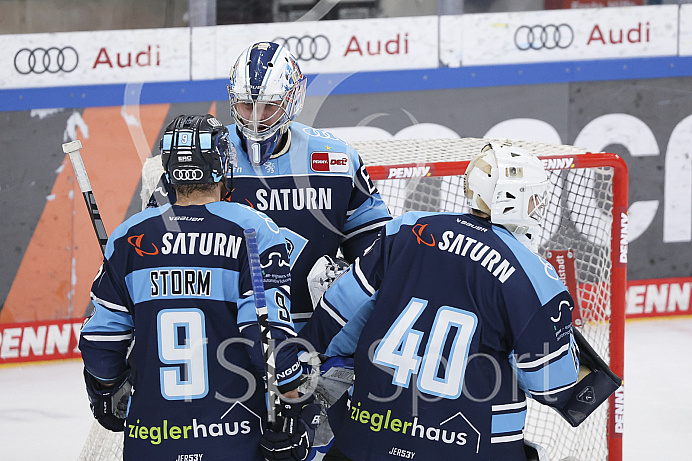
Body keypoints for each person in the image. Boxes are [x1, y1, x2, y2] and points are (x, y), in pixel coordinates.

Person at [299, 142, 621, 460]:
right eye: (534, 198)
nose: (538, 207)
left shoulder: (407, 228)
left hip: (367, 439)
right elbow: (554, 386)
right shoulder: (535, 278)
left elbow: (339, 313)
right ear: (513, 200)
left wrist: (305, 360)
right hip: (472, 446)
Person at [79, 114, 319, 461]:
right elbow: (266, 339)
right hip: (233, 440)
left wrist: (105, 388)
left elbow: (101, 342)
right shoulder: (253, 230)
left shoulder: (128, 237)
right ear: (223, 166)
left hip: (151, 441)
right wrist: (298, 406)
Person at [142, 41, 391, 333]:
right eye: (247, 105)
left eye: (268, 106)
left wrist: (348, 284)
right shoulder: (204, 153)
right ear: (233, 101)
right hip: (227, 330)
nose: (256, 119)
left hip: (320, 331)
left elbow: (374, 247)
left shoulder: (336, 159)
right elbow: (157, 241)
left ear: (291, 100)